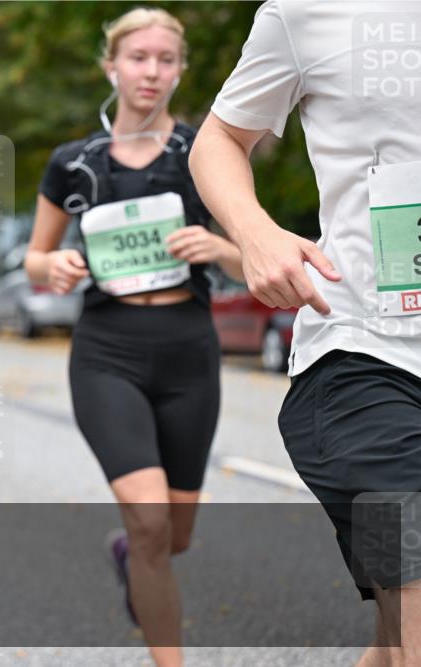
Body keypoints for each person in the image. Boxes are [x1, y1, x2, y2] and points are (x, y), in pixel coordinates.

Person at [188, 3, 420, 664]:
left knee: (394, 642)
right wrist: (256, 235)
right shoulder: (307, 13)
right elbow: (218, 140)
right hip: (363, 365)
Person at [24, 8, 245, 666]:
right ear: (111, 66)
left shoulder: (207, 154)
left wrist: (216, 245)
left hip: (188, 351)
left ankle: (131, 559)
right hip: (107, 351)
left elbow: (251, 254)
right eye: (139, 57)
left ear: (180, 69)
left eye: (166, 59)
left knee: (170, 537)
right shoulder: (74, 164)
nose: (152, 71)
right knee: (148, 518)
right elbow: (34, 259)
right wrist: (53, 265)